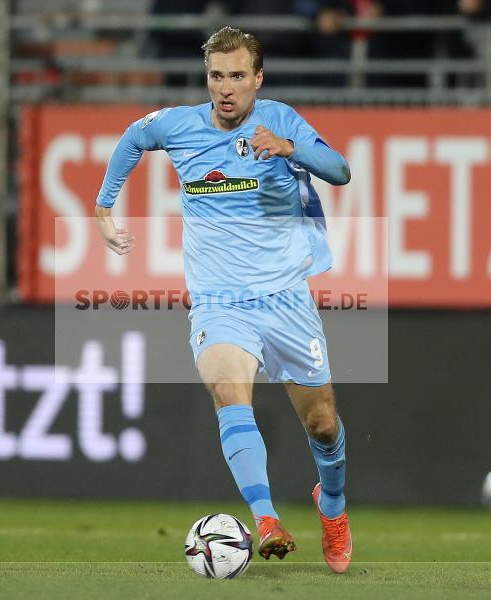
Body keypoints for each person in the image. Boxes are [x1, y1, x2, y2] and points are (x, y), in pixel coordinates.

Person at [93, 26, 353, 574]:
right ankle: (266, 521)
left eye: (237, 76)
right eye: (217, 76)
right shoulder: (181, 126)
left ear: (257, 78)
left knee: (323, 424)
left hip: (286, 297)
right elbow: (133, 139)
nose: (226, 88)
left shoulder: (278, 119)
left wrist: (289, 149)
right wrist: (104, 206)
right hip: (218, 302)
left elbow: (340, 171)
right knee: (231, 397)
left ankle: (331, 505)